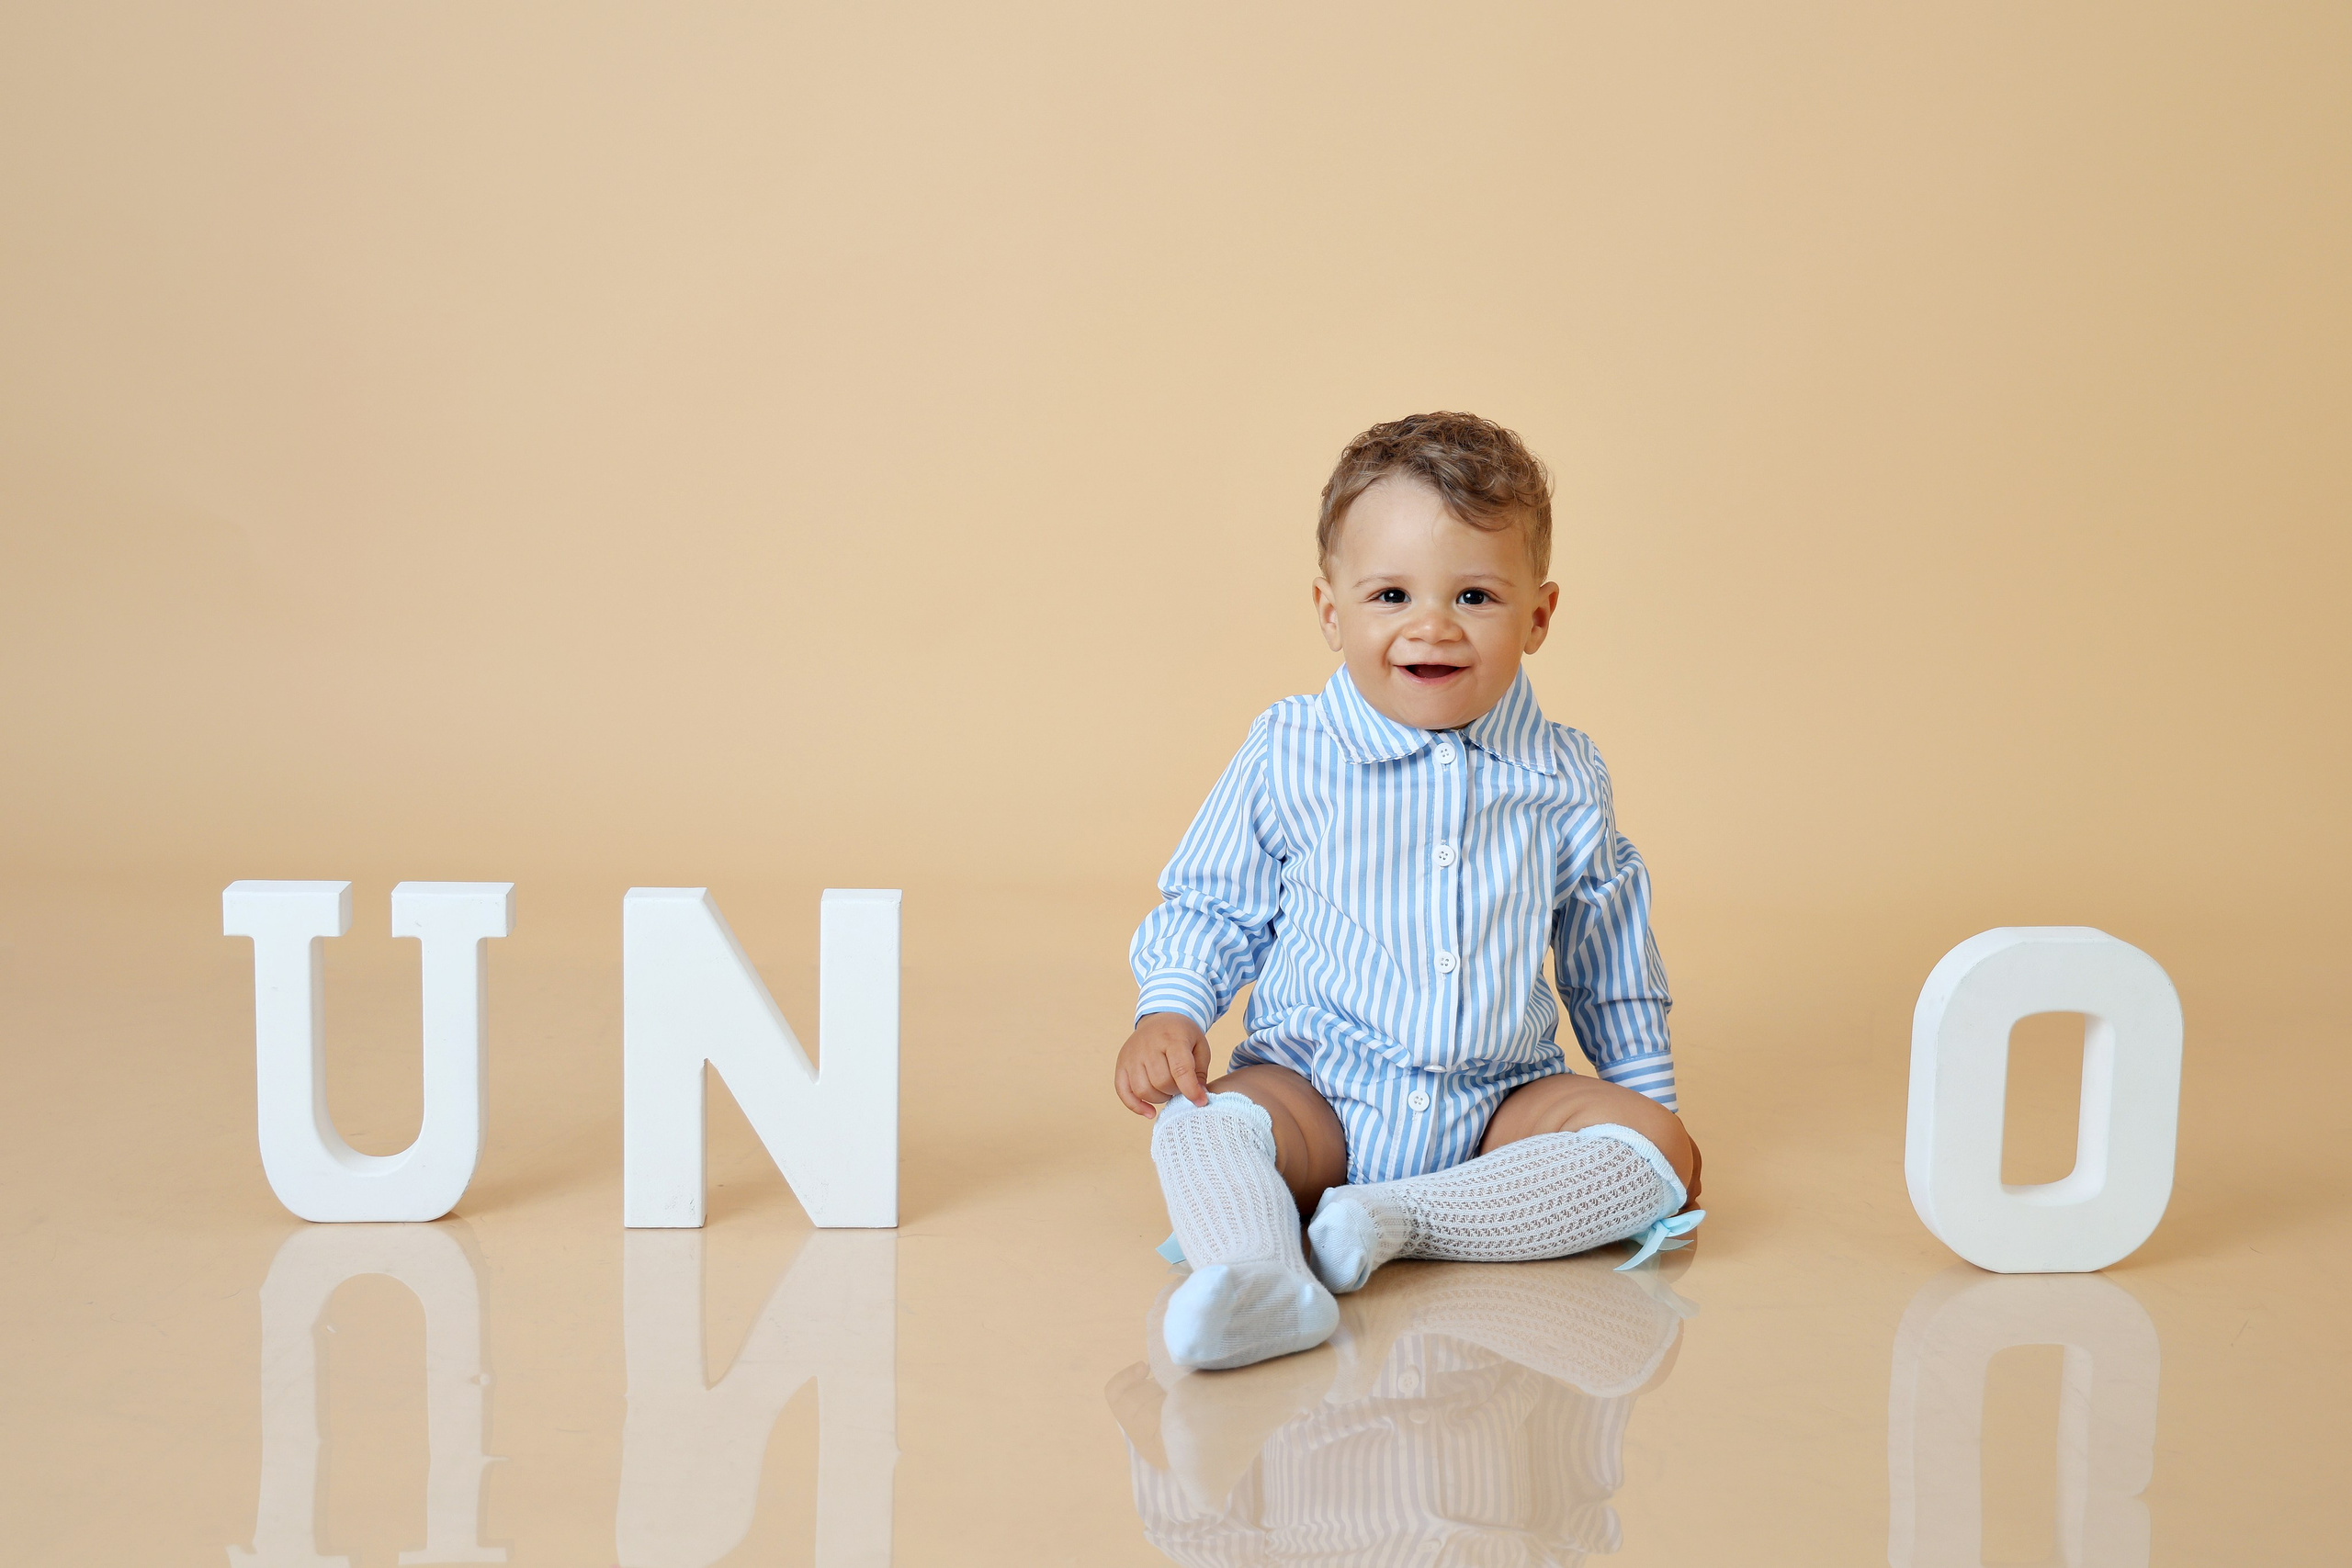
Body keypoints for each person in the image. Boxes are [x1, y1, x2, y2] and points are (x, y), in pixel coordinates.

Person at [1114, 412, 1703, 1371]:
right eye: (1391, 594)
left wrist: (1648, 1104)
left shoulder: (1561, 776)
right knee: (1204, 1122)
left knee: (1660, 1158)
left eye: (1474, 595)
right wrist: (1171, 1007)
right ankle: (1259, 1274)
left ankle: (1397, 1221)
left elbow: (1607, 951)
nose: (1430, 626)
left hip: (1497, 1109)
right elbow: (1214, 901)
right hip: (1318, 1092)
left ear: (1539, 616)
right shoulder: (1289, 750)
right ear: (1330, 610)